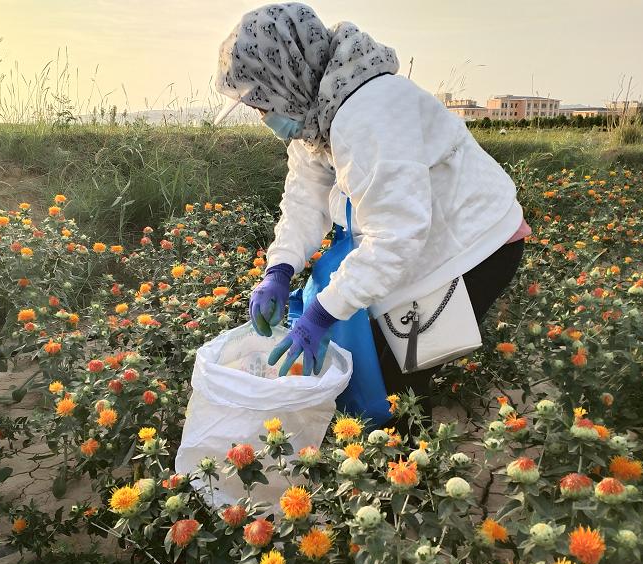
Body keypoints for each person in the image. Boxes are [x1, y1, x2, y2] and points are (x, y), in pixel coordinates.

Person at [214, 3, 530, 424]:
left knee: (399, 376)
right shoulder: (314, 115)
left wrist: (321, 314)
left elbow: (395, 235)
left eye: (262, 103)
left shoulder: (370, 111)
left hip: (474, 248)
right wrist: (279, 269)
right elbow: (304, 200)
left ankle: (405, 473)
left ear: (286, 74)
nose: (265, 116)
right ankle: (391, 455)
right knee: (386, 360)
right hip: (420, 241)